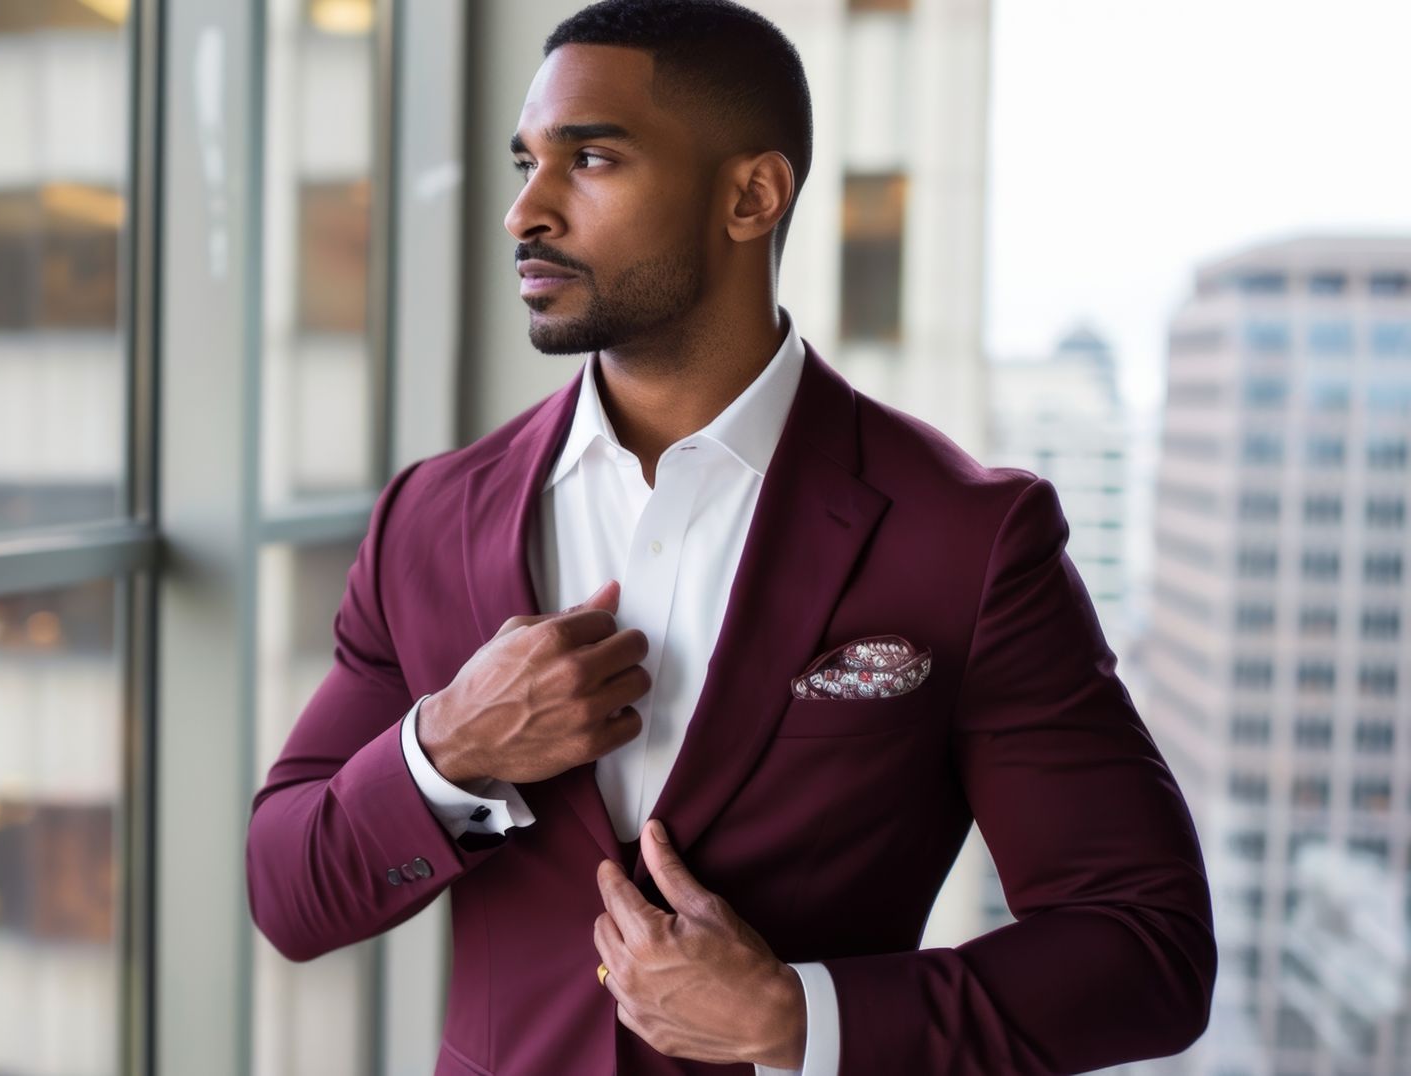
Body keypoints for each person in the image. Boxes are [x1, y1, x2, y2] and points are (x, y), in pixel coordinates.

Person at [245, 1, 1216, 1072]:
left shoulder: (970, 538)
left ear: (751, 195)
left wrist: (799, 1016)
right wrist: (450, 750)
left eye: (591, 158)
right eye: (526, 162)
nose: (526, 210)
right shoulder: (428, 518)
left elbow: (1146, 946)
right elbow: (288, 892)